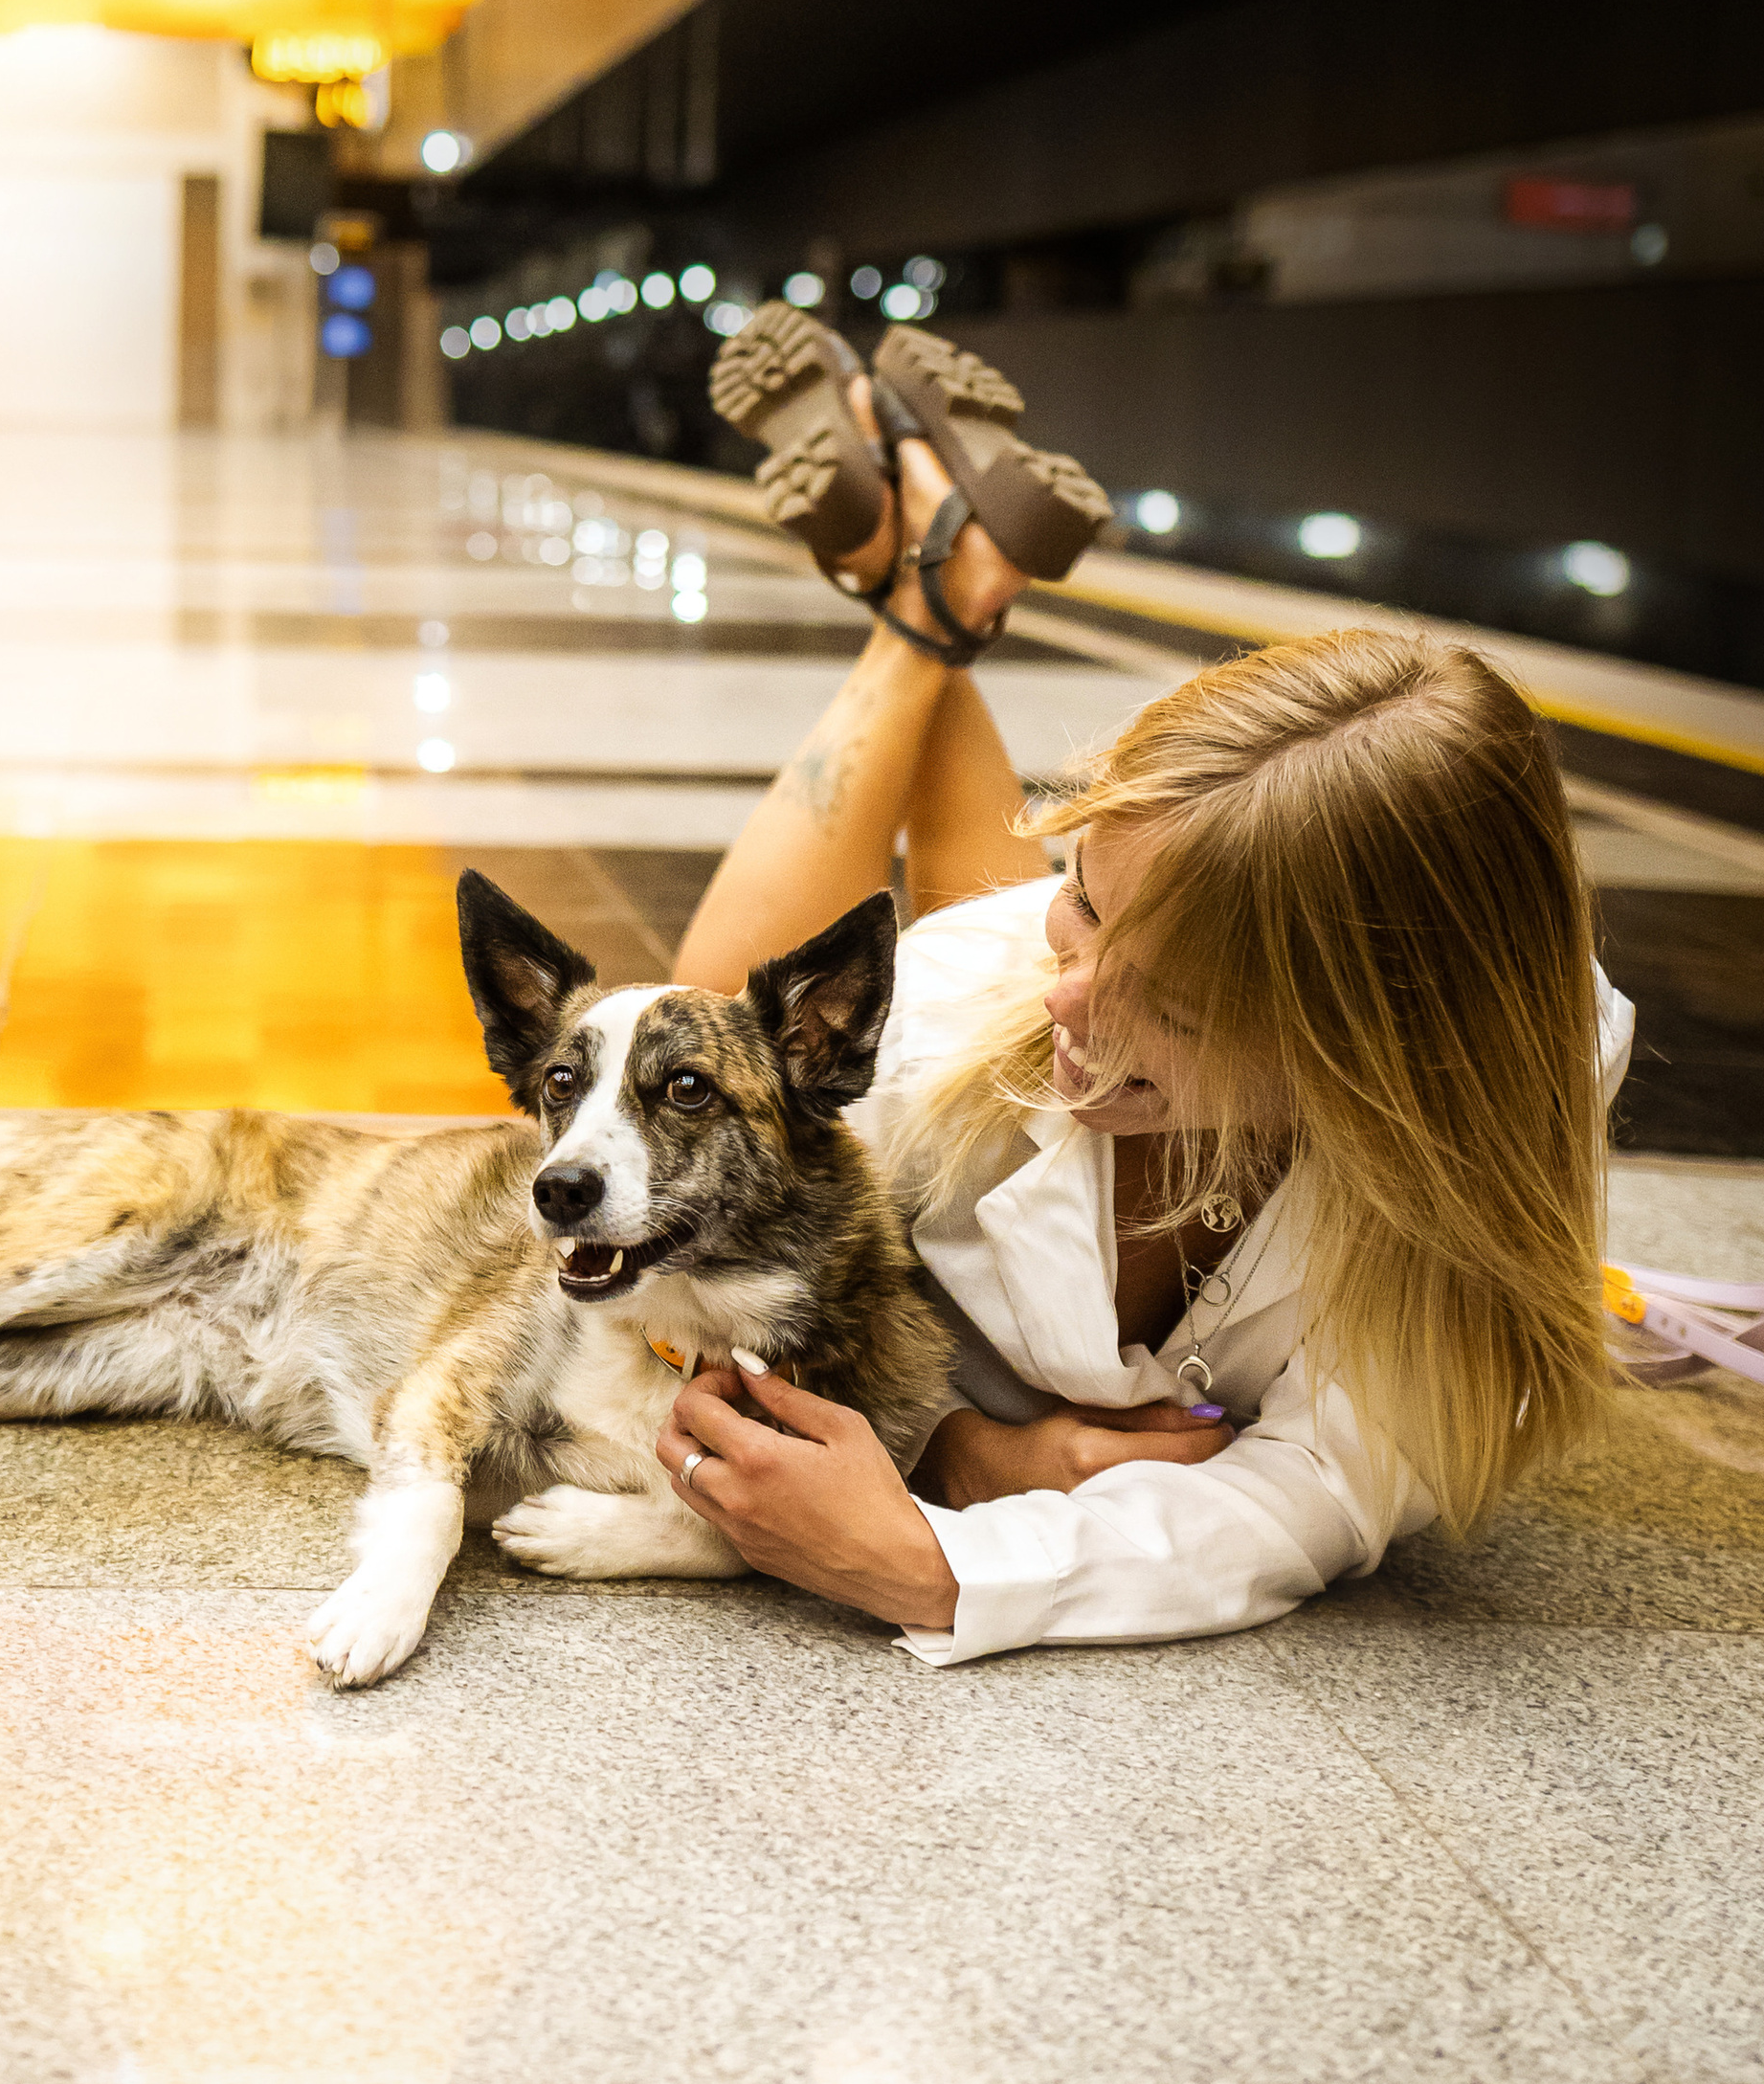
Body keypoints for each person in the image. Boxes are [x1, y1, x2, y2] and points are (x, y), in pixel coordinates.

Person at [655, 307, 1629, 1664]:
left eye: (1173, 1002)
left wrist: (950, 1567)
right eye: (1083, 896)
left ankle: (930, 578)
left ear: (1384, 1057)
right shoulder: (961, 1012)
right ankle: (936, 597)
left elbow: (1330, 1480)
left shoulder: (1526, 1065)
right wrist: (966, 1452)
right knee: (711, 1058)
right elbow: (677, 1261)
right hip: (936, 1123)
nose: (1068, 998)